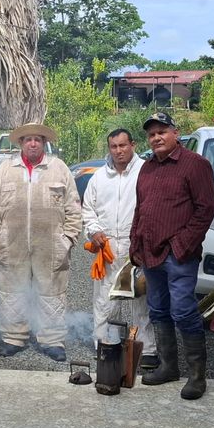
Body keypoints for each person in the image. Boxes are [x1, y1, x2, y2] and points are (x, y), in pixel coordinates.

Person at [130, 111, 214, 400]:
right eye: (151, 134)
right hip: (150, 252)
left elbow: (206, 209)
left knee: (183, 310)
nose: (156, 137)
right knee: (157, 309)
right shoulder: (147, 168)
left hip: (179, 254)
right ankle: (168, 366)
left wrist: (182, 244)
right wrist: (135, 243)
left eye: (162, 131)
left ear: (176, 133)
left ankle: (196, 376)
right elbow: (141, 208)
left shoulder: (196, 165)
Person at [0, 122, 82, 362]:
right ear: (20, 143)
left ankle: (52, 339)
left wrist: (67, 238)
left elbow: (73, 206)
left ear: (44, 142)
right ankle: (13, 337)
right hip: (11, 243)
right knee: (11, 291)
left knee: (52, 292)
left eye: (37, 139)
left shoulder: (59, 169)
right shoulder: (5, 170)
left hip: (50, 245)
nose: (33, 143)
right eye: (27, 139)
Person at [81, 129, 157, 367]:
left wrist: (146, 240)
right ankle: (106, 344)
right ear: (109, 148)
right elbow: (88, 210)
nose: (119, 151)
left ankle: (146, 350)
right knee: (105, 300)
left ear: (133, 145)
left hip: (138, 245)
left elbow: (155, 207)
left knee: (140, 300)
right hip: (108, 247)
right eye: (114, 146)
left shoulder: (147, 171)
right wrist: (94, 230)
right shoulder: (99, 178)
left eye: (123, 145)